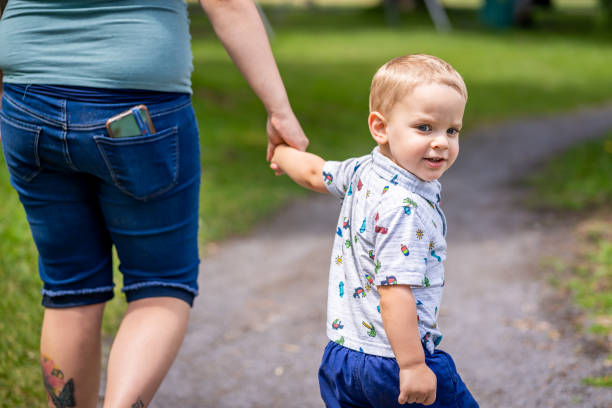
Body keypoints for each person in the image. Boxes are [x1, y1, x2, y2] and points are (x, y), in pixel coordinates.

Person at [0, 1, 307, 407]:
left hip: (27, 102)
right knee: (160, 287)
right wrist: (279, 109)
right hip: (137, 106)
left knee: (70, 287)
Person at [270, 54, 479, 407]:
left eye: (452, 130)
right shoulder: (405, 207)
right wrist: (412, 365)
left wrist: (281, 152)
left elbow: (313, 172)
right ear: (380, 128)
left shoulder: (363, 171)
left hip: (342, 358)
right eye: (425, 127)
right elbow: (394, 291)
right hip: (394, 361)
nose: (442, 142)